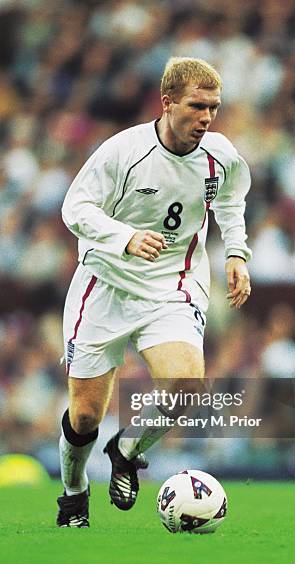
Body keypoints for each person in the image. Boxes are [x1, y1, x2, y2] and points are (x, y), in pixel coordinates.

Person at [56, 57, 252, 527]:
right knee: (84, 416)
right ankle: (74, 492)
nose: (206, 118)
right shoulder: (123, 151)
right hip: (104, 285)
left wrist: (237, 254)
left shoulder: (219, 154)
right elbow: (75, 208)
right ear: (167, 103)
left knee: (187, 388)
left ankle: (126, 449)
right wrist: (124, 237)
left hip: (173, 286)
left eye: (214, 108)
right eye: (197, 106)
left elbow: (229, 198)